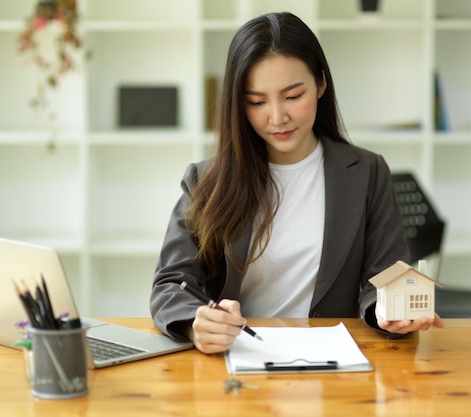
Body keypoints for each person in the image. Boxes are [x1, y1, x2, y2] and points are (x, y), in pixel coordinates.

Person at [150, 12, 443, 354]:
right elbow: (170, 283)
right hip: (239, 361)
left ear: (320, 83)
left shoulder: (366, 172)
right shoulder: (206, 181)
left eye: (292, 96)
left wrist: (388, 311)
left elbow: (385, 276)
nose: (277, 117)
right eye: (257, 102)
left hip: (334, 364)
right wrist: (195, 322)